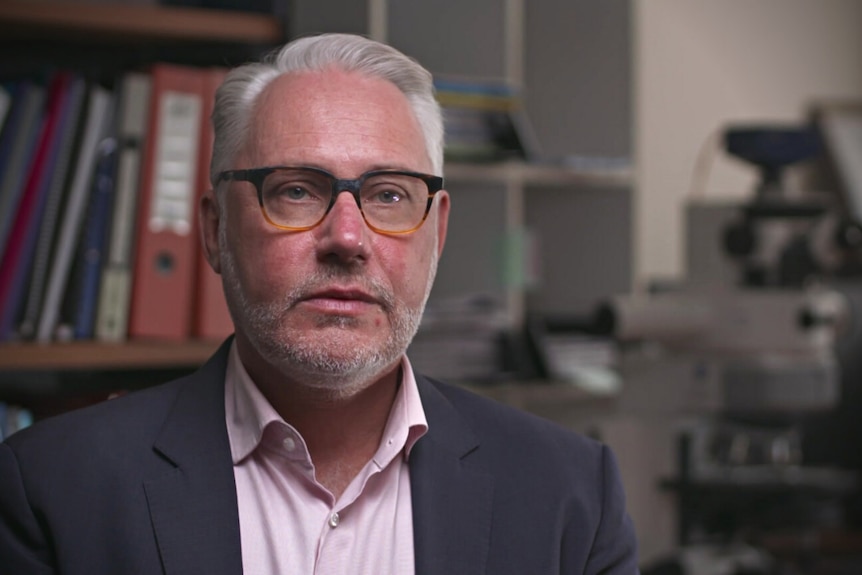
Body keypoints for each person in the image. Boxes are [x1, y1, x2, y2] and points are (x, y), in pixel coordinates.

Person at [0, 33, 639, 574]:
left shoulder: (571, 497)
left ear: (436, 232)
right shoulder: (52, 491)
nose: (348, 239)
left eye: (389, 196)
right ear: (216, 230)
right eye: (298, 191)